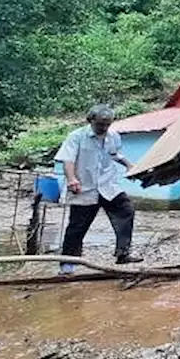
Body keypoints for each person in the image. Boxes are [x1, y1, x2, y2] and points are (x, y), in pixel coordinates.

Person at [55, 104, 141, 273]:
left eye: (107, 124)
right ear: (91, 120)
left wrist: (130, 165)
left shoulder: (113, 136)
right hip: (84, 187)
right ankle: (67, 263)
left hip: (108, 186)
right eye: (100, 124)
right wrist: (72, 179)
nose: (104, 127)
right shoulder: (76, 136)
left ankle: (122, 253)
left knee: (126, 210)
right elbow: (68, 160)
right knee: (77, 226)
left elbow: (115, 154)